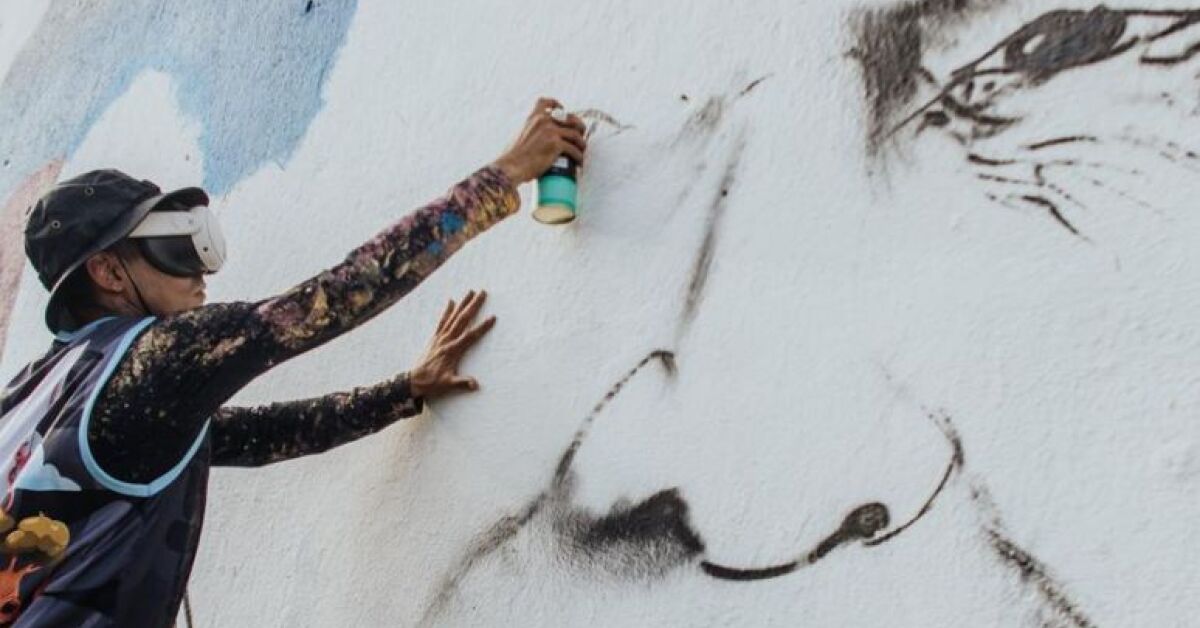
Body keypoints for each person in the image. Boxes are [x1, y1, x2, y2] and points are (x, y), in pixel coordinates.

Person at [0, 98, 587, 626]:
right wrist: (504, 175)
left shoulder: (35, 399)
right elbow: (337, 296)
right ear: (108, 272)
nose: (200, 272)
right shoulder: (154, 362)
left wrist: (405, 390)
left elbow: (256, 436)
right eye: (172, 249)